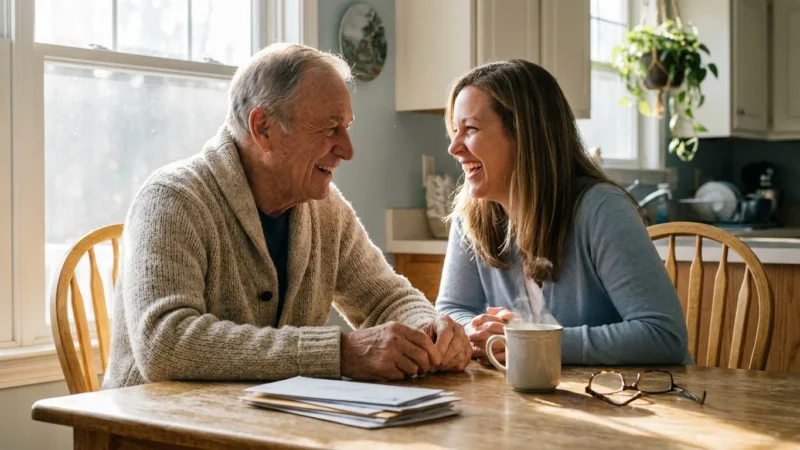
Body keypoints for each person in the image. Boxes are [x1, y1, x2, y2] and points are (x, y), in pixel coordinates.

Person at [102, 43, 471, 389]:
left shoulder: (325, 209)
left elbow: (385, 299)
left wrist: (429, 330)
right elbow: (166, 344)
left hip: (261, 424)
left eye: (347, 127)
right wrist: (339, 354)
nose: (347, 149)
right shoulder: (172, 199)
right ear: (263, 128)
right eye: (329, 128)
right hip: (154, 430)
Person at [435, 59, 689, 366]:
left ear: (525, 134)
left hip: (634, 401)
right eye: (454, 130)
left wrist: (533, 341)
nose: (454, 148)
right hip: (535, 404)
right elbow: (451, 309)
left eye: (470, 129)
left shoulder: (601, 210)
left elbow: (664, 336)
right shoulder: (471, 215)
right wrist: (482, 331)